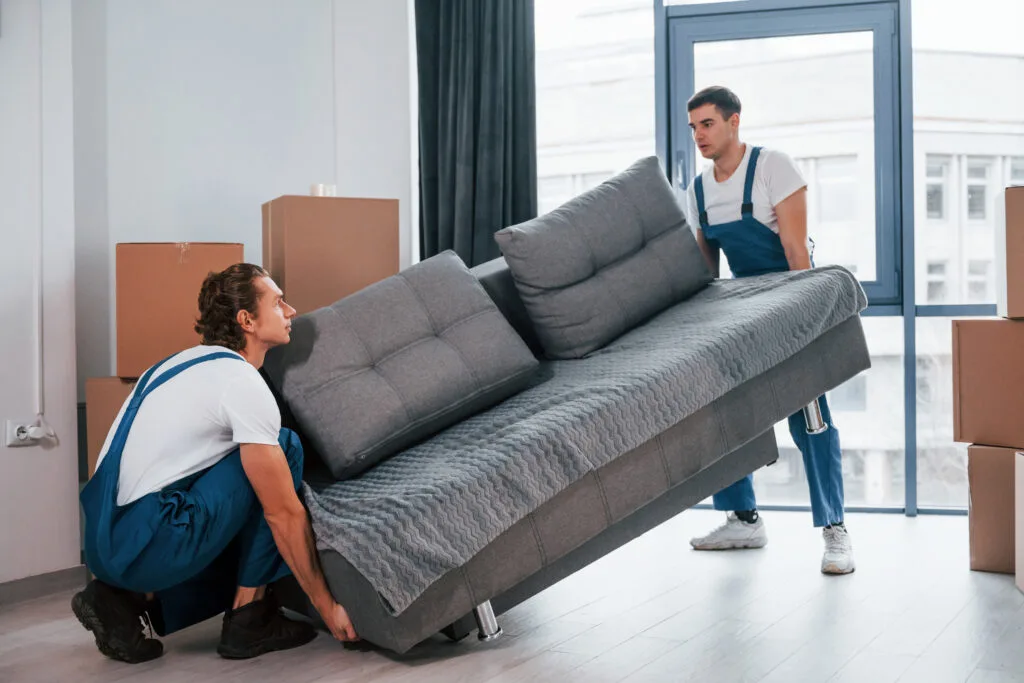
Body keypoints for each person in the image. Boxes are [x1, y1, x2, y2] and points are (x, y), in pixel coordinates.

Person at [73, 263, 359, 663]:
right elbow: (283, 515)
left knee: (246, 467)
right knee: (283, 448)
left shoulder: (175, 364)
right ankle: (249, 619)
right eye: (278, 302)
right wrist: (328, 606)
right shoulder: (240, 382)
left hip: (102, 545)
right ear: (247, 320)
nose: (291, 311)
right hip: (147, 541)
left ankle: (120, 599)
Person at [682, 85, 854, 575]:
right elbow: (706, 274)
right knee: (729, 412)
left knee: (811, 416)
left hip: (793, 302)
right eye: (693, 127)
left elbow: (797, 253)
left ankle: (835, 531)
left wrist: (805, 327)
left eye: (708, 124)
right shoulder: (697, 191)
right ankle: (743, 519)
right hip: (743, 313)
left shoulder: (773, 166)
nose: (699, 135)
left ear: (735, 122)